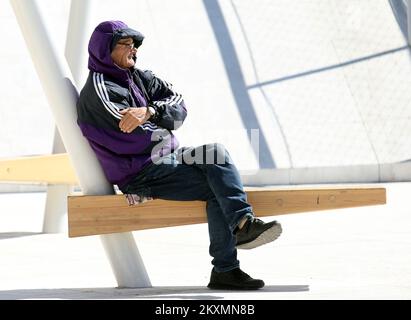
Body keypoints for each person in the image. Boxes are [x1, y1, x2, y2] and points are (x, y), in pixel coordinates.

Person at [77, 20, 282, 290]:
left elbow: (178, 104)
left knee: (216, 153)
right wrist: (158, 119)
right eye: (125, 44)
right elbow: (140, 136)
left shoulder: (140, 76)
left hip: (167, 158)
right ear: (105, 50)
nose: (133, 49)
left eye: (134, 44)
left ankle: (243, 225)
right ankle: (227, 267)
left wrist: (150, 112)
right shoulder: (100, 90)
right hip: (141, 173)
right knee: (216, 186)